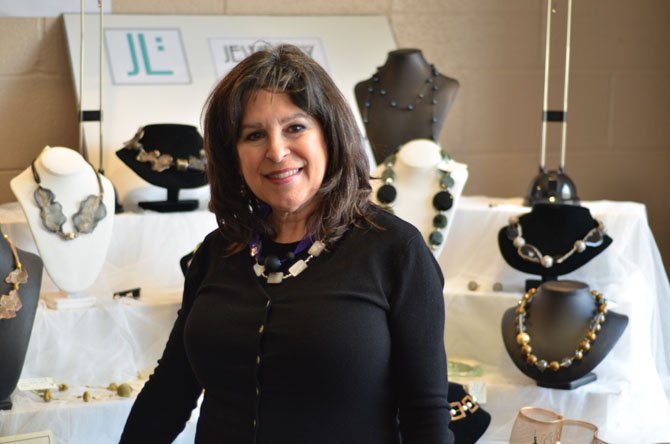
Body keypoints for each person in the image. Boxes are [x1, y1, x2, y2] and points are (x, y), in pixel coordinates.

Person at [120, 44, 454, 444]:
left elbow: (425, 416)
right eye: (254, 135)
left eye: (295, 127)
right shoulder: (217, 252)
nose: (276, 151)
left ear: (329, 134)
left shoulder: (395, 251)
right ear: (234, 155)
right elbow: (170, 391)